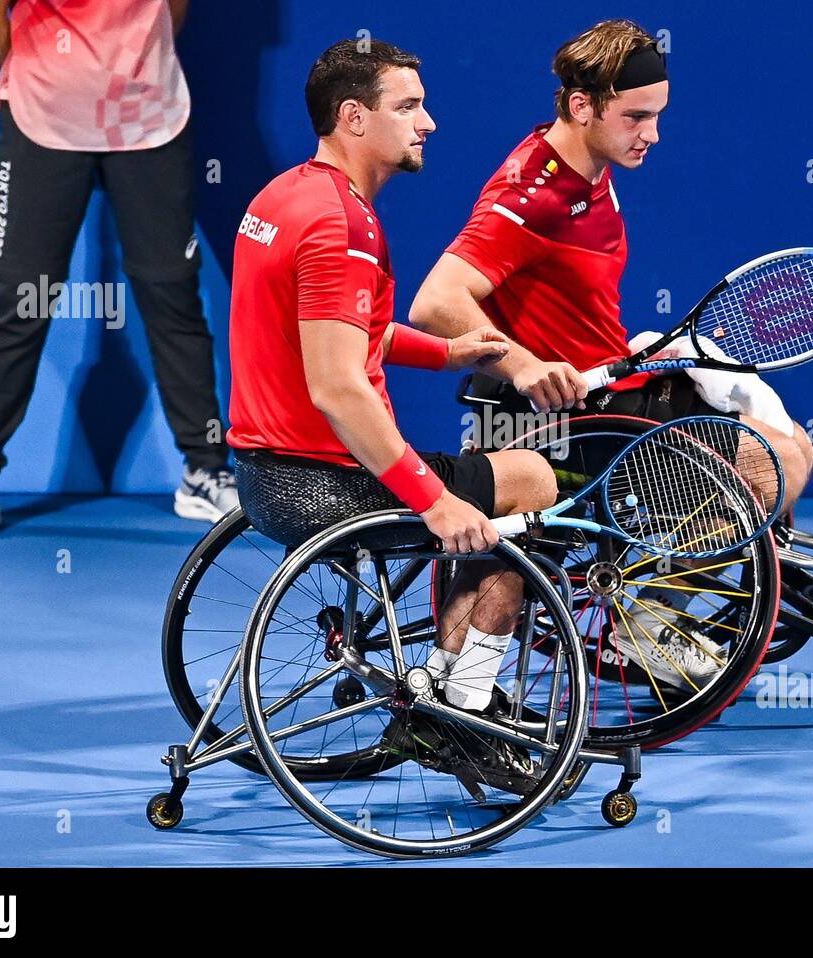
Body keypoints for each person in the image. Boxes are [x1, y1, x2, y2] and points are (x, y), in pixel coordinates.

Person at [409, 19, 813, 691]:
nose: (651, 134)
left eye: (656, 116)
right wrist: (525, 366)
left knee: (788, 444)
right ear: (581, 106)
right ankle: (649, 621)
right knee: (773, 465)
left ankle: (662, 597)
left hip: (613, 390)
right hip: (576, 426)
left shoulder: (587, 168)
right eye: (636, 117)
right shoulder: (531, 196)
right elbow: (436, 302)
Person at [225, 40, 558, 761]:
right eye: (407, 106)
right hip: (325, 480)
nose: (428, 122)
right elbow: (337, 385)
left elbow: (333, 334)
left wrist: (443, 352)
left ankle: (440, 682)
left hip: (261, 472)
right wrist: (433, 501)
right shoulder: (343, 225)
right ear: (353, 118)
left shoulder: (281, 197)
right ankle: (460, 706)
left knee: (483, 476)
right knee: (530, 479)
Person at [0, 0, 236, 543]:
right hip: (41, 119)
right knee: (21, 300)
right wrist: (52, 78)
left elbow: (174, 9)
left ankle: (204, 470)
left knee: (173, 293)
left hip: (150, 118)